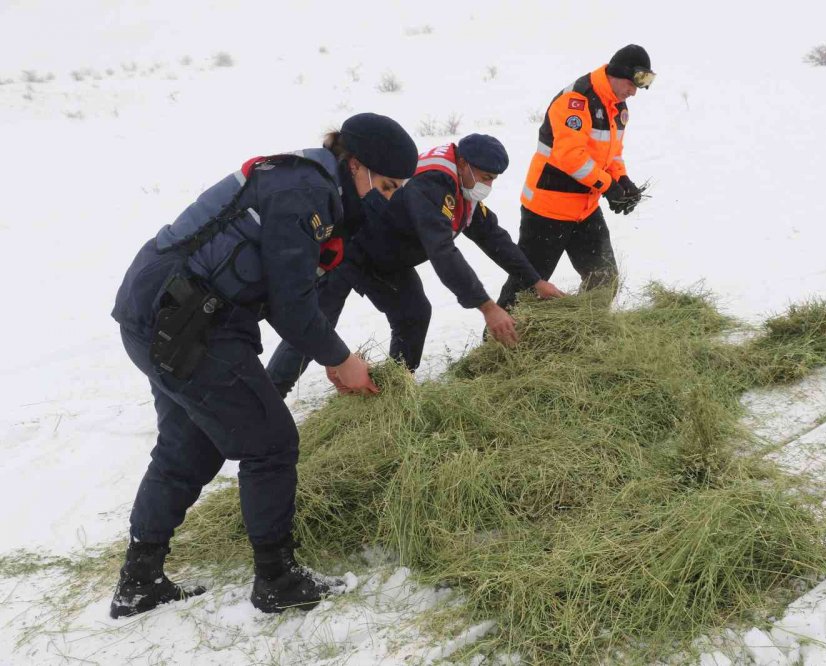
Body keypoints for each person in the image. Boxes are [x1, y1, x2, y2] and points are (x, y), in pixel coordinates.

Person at [109, 113, 418, 617]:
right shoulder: (303, 192)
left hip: (156, 312)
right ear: (355, 164)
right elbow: (292, 307)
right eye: (383, 185)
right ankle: (276, 578)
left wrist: (330, 356)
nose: (384, 197)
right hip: (185, 319)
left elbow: (288, 297)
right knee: (273, 443)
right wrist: (340, 358)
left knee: (190, 446)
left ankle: (139, 580)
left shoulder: (307, 183)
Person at [266, 133, 565, 395]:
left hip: (387, 257)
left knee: (414, 313)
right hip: (351, 250)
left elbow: (493, 237)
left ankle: (393, 388)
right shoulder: (434, 185)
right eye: (486, 177)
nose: (488, 185)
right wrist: (488, 307)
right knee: (313, 328)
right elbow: (443, 252)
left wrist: (535, 280)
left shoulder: (463, 188)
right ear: (463, 164)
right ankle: (270, 397)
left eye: (493, 179)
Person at [496, 44, 655, 310]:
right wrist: (608, 186)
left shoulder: (618, 106)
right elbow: (571, 157)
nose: (634, 92)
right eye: (631, 84)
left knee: (604, 279)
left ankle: (585, 334)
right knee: (525, 287)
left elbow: (612, 153)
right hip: (548, 210)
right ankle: (495, 346)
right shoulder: (577, 100)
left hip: (585, 209)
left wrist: (622, 180)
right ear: (616, 74)